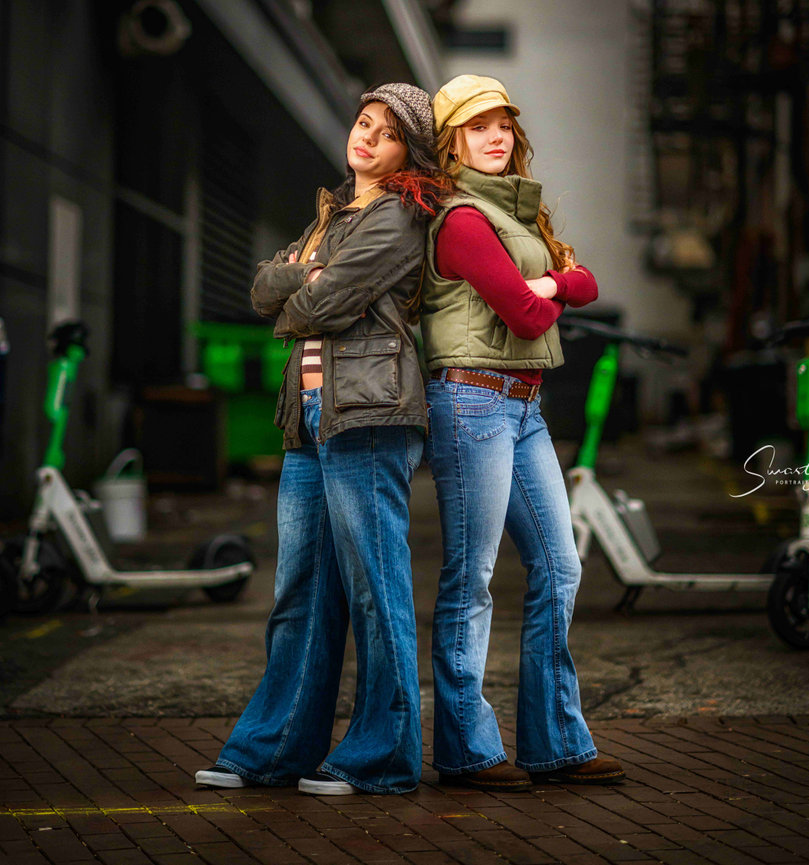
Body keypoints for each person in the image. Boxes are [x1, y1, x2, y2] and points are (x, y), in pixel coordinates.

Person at [195, 83, 448, 796]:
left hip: (369, 414)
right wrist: (300, 277)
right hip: (306, 416)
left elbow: (317, 302)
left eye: (386, 132)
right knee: (299, 589)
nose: (365, 137)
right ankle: (273, 750)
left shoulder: (401, 214)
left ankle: (382, 756)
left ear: (408, 152)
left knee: (375, 589)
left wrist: (300, 287)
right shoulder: (332, 214)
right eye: (362, 122)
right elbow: (258, 286)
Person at [421, 74, 624, 791]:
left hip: (523, 406)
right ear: (451, 144)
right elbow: (527, 315)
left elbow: (588, 283)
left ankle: (555, 743)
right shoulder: (464, 220)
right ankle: (467, 751)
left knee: (559, 567)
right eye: (478, 127)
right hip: (471, 402)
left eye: (503, 123)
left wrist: (554, 283)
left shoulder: (519, 213)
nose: (496, 135)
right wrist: (549, 287)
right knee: (471, 578)